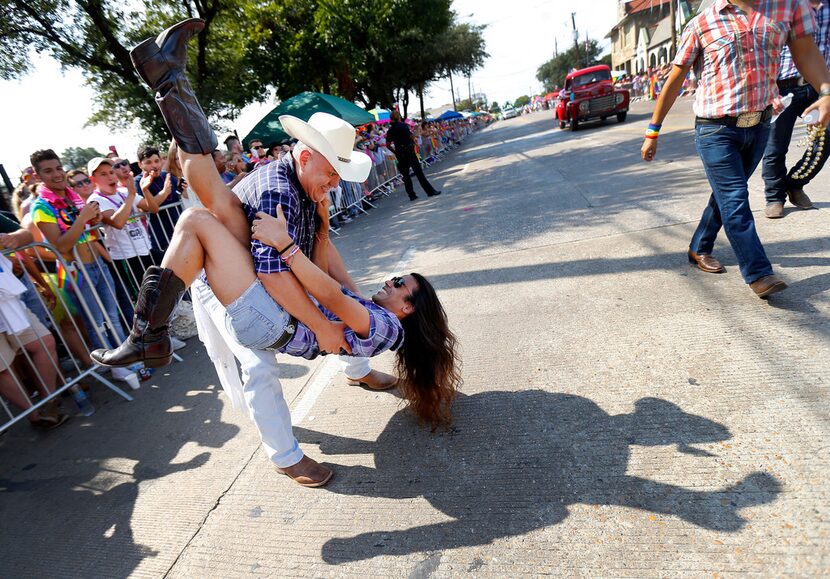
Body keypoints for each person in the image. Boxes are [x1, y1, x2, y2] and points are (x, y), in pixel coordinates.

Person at [98, 18, 454, 486]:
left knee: (332, 306)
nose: (336, 183)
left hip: (253, 273)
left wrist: (340, 296)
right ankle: (284, 454)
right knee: (251, 364)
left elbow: (326, 259)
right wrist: (322, 321)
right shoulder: (276, 192)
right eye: (332, 172)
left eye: (339, 175)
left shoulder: (311, 189)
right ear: (306, 156)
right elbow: (282, 278)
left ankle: (168, 77)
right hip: (233, 281)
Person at [641, 0, 830, 299]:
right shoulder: (702, 24)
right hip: (715, 129)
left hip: (759, 125)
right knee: (735, 198)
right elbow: (675, 79)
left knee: (727, 194)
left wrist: (826, 90)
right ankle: (759, 272)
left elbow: (805, 51)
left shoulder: (787, 7)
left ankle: (699, 247)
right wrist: (653, 131)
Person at [28, 149, 139, 386]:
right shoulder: (41, 206)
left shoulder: (72, 196)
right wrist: (83, 218)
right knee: (96, 322)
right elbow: (60, 245)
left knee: (113, 316)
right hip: (75, 271)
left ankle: (125, 358)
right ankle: (115, 366)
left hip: (97, 264)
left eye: (58, 168)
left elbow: (89, 231)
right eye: (48, 171)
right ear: (38, 176)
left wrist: (94, 219)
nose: (57, 174)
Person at [762, 0, 830, 218]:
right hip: (783, 85)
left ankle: (795, 183)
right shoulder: (784, 6)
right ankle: (774, 197)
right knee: (775, 146)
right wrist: (767, 86)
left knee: (825, 140)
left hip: (820, 86)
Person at [385, 111, 442, 201]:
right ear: (398, 117)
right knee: (419, 173)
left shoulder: (390, 130)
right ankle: (430, 191)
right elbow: (410, 136)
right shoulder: (403, 126)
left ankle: (411, 195)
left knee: (406, 176)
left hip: (400, 154)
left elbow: (387, 145)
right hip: (409, 152)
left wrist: (395, 152)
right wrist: (415, 134)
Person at [135, 145, 179, 258]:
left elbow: (179, 196)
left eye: (156, 161)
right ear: (140, 164)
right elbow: (147, 207)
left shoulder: (167, 176)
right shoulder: (139, 181)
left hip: (179, 229)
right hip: (160, 237)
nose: (154, 165)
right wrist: (164, 193)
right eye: (148, 162)